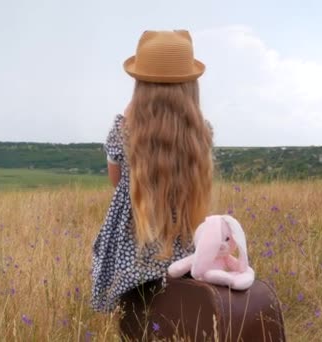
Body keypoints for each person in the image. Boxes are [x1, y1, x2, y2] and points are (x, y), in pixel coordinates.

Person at [90, 30, 214, 340]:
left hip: (134, 244)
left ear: (139, 85)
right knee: (177, 317)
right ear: (191, 87)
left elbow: (115, 180)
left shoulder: (123, 129)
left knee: (134, 321)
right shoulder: (202, 132)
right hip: (182, 241)